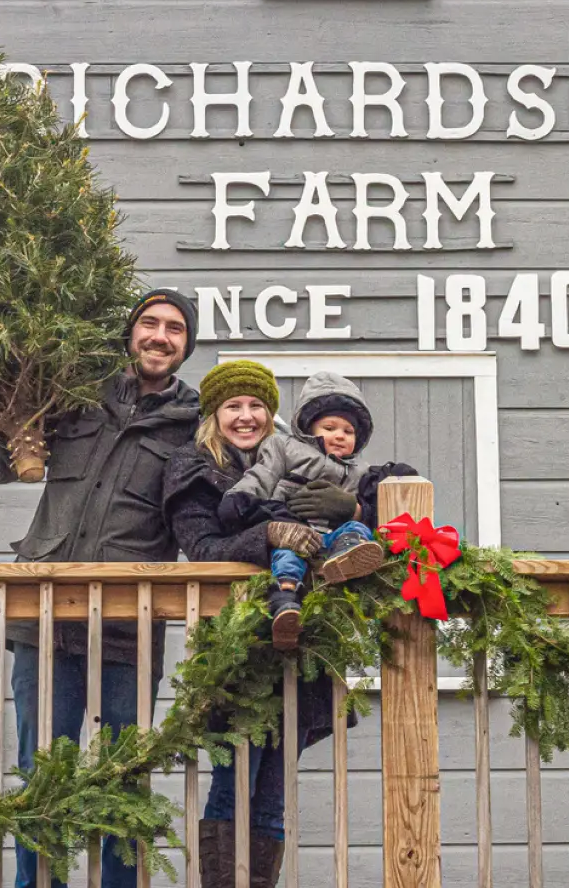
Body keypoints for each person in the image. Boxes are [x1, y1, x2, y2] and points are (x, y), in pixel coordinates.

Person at [0, 288, 201, 888]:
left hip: (129, 629)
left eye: (175, 329)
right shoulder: (75, 400)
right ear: (130, 333)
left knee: (123, 775)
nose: (160, 336)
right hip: (45, 618)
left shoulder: (195, 426)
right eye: (149, 323)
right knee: (40, 772)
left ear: (187, 345)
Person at [161, 360, 414, 888]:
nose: (247, 416)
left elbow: (391, 505)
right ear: (214, 414)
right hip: (238, 652)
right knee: (235, 784)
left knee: (274, 794)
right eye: (234, 405)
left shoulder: (315, 460)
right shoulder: (195, 468)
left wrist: (355, 510)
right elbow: (205, 549)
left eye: (257, 406)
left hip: (304, 649)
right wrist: (271, 532)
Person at [218, 371, 398, 649]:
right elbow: (263, 474)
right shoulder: (285, 447)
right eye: (329, 428)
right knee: (287, 557)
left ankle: (347, 559)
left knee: (357, 529)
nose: (339, 435)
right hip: (296, 531)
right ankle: (286, 602)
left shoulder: (360, 471)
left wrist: (364, 502)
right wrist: (240, 498)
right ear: (310, 429)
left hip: (330, 539)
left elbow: (377, 502)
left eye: (348, 431)